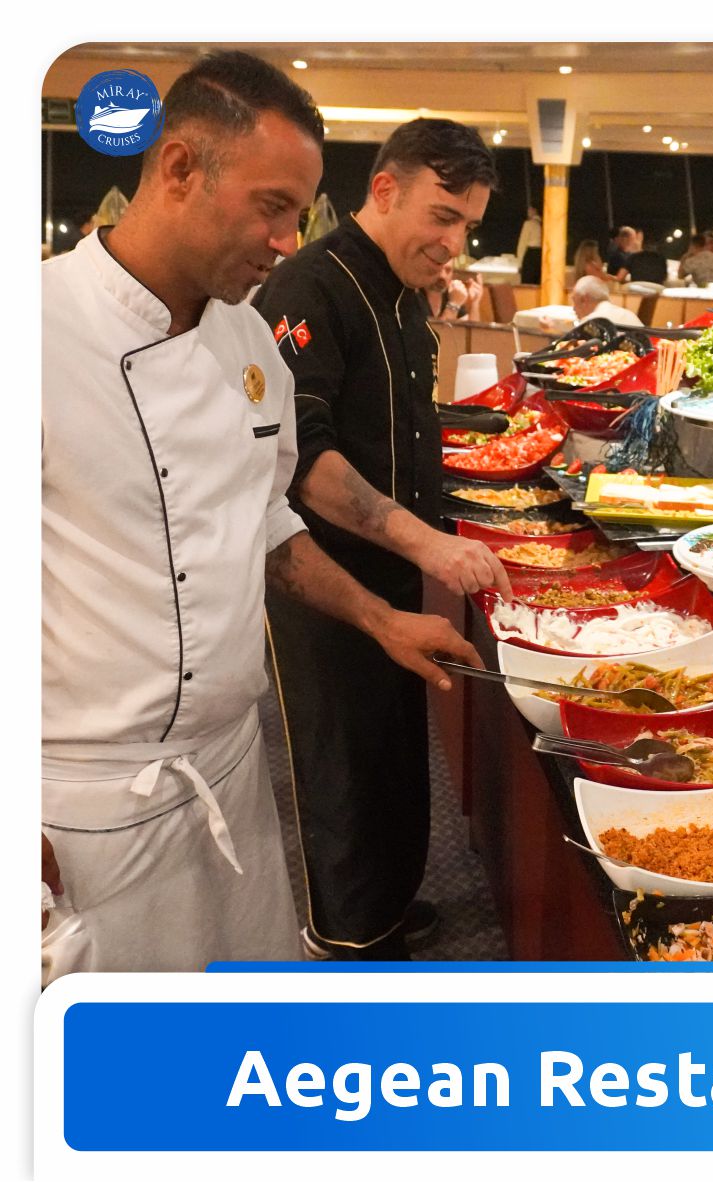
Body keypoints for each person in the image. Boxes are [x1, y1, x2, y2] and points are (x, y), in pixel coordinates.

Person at [40, 52, 481, 979]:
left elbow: (268, 518)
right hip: (76, 807)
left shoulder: (247, 340)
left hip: (232, 768)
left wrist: (381, 617)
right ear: (178, 168)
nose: (287, 240)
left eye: (300, 213)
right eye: (272, 206)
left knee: (237, 1021)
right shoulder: (36, 329)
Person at [253, 118, 512, 961]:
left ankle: (387, 911)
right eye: (442, 216)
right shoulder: (309, 285)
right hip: (323, 578)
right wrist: (429, 546)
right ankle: (348, 942)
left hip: (396, 567)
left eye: (467, 224)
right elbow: (307, 459)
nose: (453, 242)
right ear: (385, 190)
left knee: (395, 754)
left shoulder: (406, 295)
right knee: (344, 767)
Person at [571, 275, 643, 327]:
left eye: (574, 301)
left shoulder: (589, 324)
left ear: (584, 300)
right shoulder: (630, 315)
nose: (573, 308)